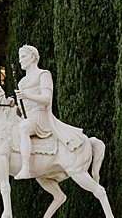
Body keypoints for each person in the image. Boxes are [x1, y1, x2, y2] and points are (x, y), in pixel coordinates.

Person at [14, 44, 88, 179]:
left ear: (33, 57)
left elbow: (46, 99)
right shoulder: (22, 82)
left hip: (40, 117)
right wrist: (13, 106)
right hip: (28, 117)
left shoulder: (43, 74)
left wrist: (27, 95)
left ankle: (25, 167)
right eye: (19, 58)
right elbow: (22, 107)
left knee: (24, 128)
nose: (20, 60)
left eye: (23, 57)